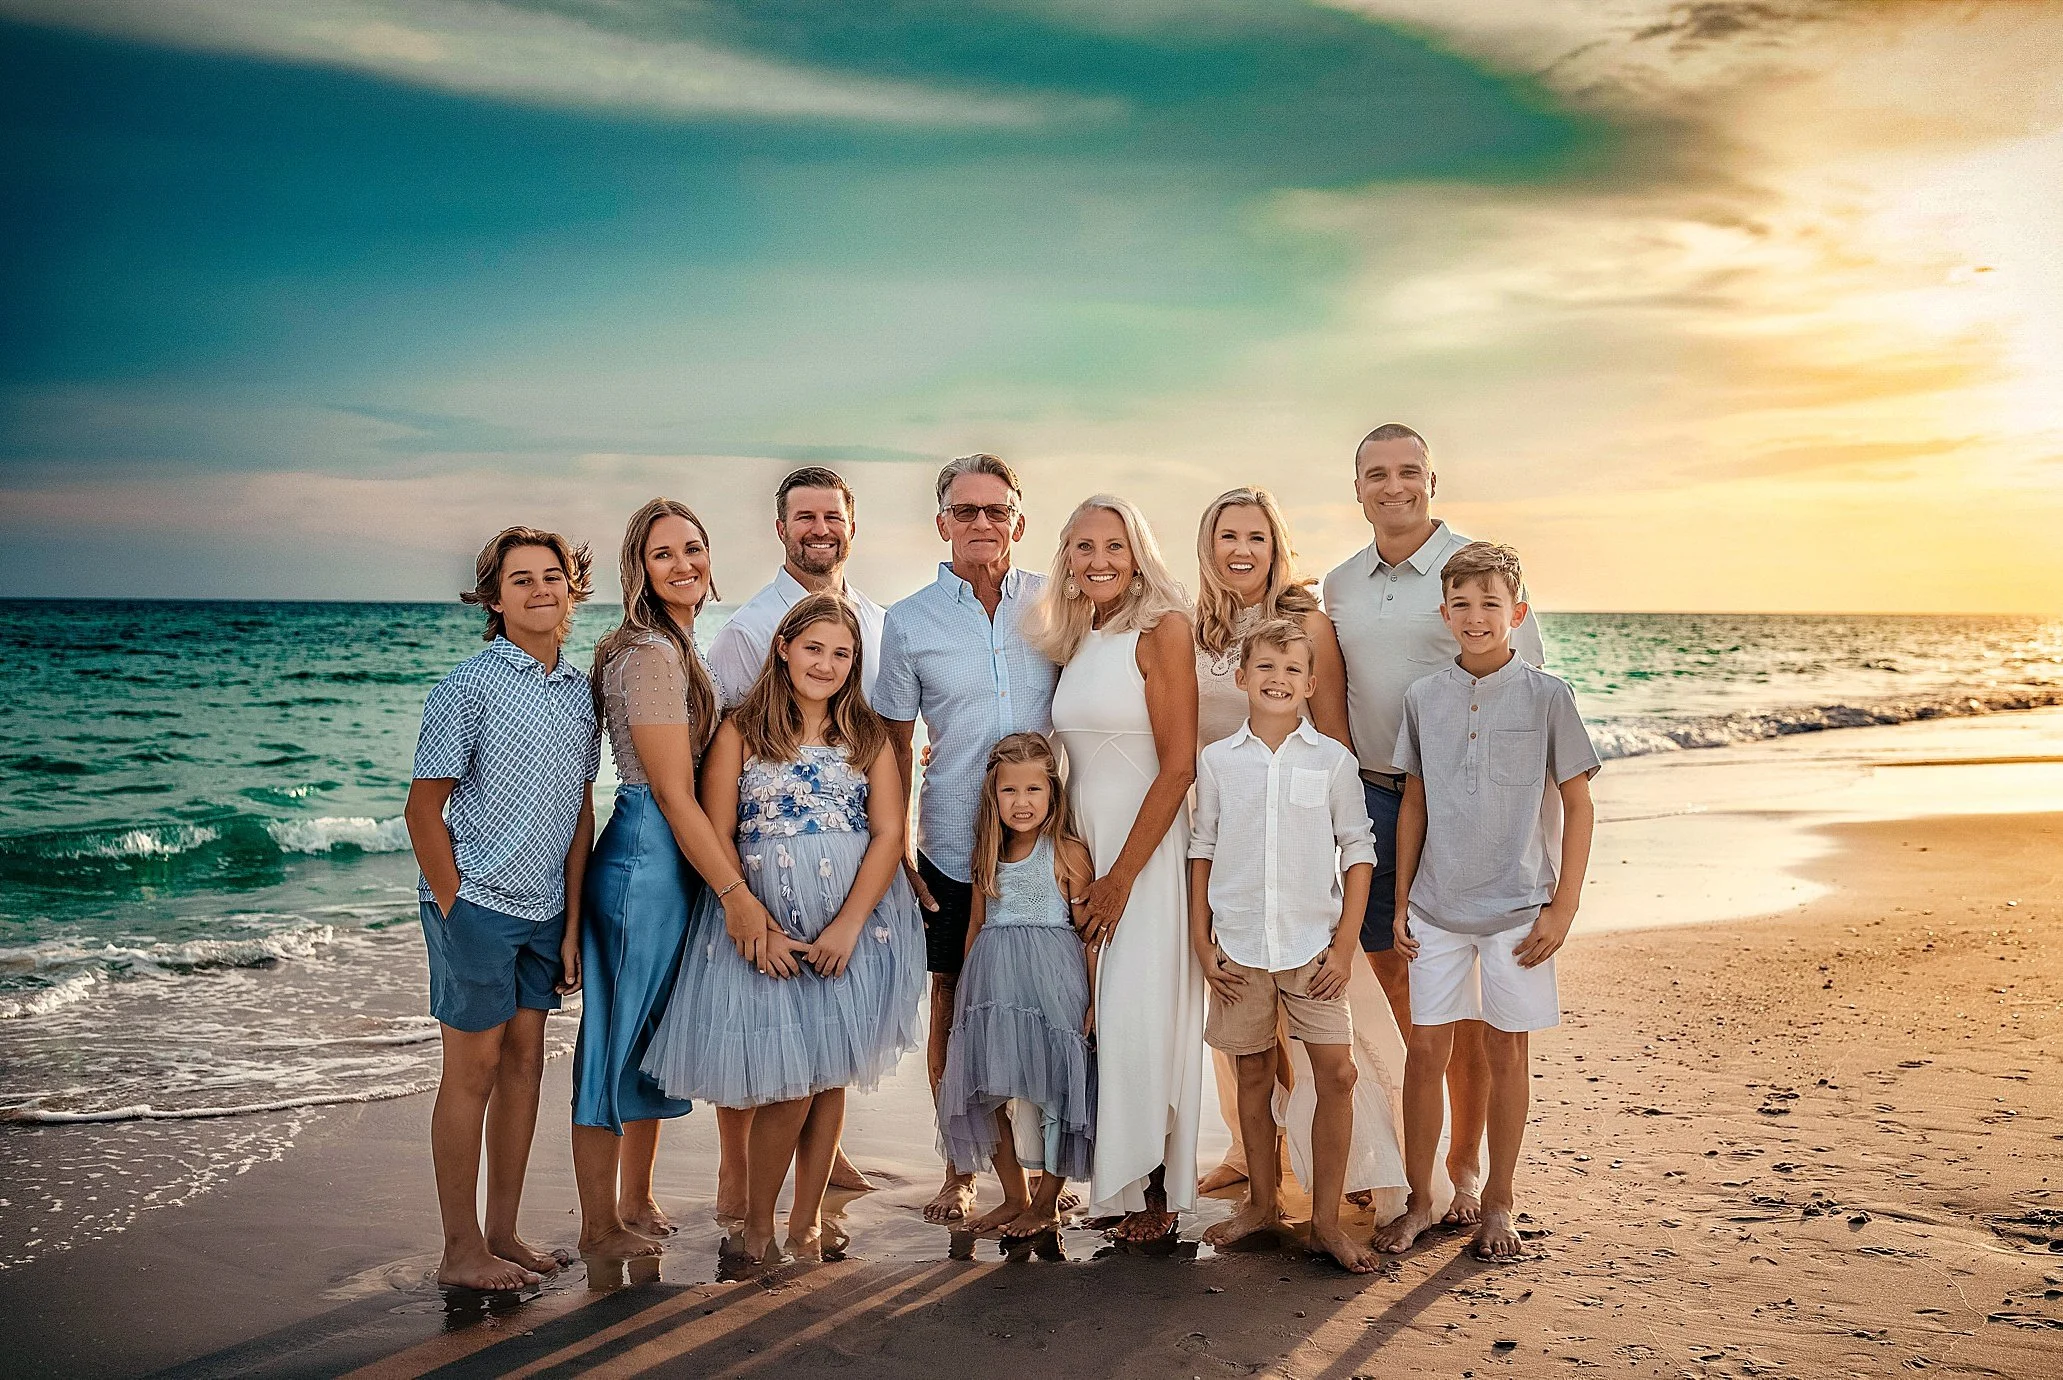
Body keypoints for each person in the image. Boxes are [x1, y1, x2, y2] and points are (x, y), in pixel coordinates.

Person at [642, 593, 925, 1266]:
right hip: (764, 920)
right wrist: (751, 918)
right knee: (787, 1080)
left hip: (851, 923)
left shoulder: (866, 736)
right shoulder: (741, 730)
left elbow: (889, 833)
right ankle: (758, 1224)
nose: (825, 664)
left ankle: (806, 1223)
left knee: (829, 1074)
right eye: (813, 648)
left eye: (841, 654)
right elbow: (717, 832)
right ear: (783, 648)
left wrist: (849, 925)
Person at [1322, 423, 1546, 1228]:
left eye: (1408, 471)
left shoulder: (1470, 568)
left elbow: (1526, 690)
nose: (1393, 486)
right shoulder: (1340, 584)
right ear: (1356, 488)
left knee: (1471, 1003)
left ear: (1431, 480)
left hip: (1464, 807)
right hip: (1376, 796)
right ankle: (1404, 1162)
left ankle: (1464, 1166)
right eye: (1376, 474)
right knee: (1399, 981)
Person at [1373, 542, 1599, 1262]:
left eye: (1490, 604)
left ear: (1517, 613)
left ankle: (1497, 1201)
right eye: (1462, 604)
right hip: (1435, 908)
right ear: (1444, 614)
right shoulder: (1423, 698)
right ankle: (1421, 1201)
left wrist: (1562, 908)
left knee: (1506, 1050)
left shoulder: (1548, 696)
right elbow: (1413, 803)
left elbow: (1578, 803)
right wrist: (1401, 902)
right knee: (1424, 1050)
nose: (1476, 617)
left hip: (1520, 912)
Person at [573, 498, 768, 1261]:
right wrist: (734, 894)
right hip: (645, 864)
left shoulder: (680, 644)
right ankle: (598, 1225)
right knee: (613, 1041)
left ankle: (634, 1197)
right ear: (639, 569)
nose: (683, 563)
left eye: (693, 547)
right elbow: (671, 793)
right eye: (663, 553)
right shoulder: (651, 654)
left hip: (673, 858)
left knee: (649, 1035)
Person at [403, 525, 597, 1291]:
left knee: (523, 1067)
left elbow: (580, 812)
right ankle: (459, 1251)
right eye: (521, 579)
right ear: (493, 599)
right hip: (477, 904)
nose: (540, 589)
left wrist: (572, 920)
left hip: (546, 909)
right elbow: (423, 810)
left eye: (551, 576)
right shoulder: (468, 686)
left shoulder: (580, 692)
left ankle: (503, 1233)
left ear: (571, 590)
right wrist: (455, 905)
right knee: (473, 1071)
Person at [874, 454, 1058, 1225]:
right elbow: (892, 746)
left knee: (1048, 1004)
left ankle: (1047, 1176)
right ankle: (959, 1169)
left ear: (1018, 520)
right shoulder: (907, 621)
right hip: (950, 844)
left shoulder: (1056, 602)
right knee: (951, 1002)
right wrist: (895, 851)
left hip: (1048, 846)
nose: (981, 523)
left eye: (996, 510)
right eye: (965, 510)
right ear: (941, 522)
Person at [1035, 494, 1203, 1246]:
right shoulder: (1079, 635)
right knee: (1103, 1016)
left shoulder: (1162, 629)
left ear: (1138, 555)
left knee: (1141, 1012)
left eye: (1114, 546)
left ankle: (1160, 1192)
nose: (1098, 560)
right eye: (1084, 546)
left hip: (1146, 854)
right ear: (1066, 557)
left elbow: (1178, 765)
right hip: (1091, 850)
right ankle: (1123, 1183)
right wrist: (1069, 846)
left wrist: (1121, 878)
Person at [1190, 618, 1379, 1273]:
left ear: (1311, 684)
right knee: (1252, 1073)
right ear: (1242, 678)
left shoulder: (1331, 761)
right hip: (1239, 945)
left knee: (1337, 1074)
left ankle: (1324, 1222)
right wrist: (1201, 941)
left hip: (1312, 949)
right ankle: (1261, 1205)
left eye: (1292, 669)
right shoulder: (1218, 761)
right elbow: (1202, 849)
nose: (1278, 679)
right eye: (1265, 668)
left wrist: (1344, 947)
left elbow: (1358, 851)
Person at [934, 733, 1099, 1241]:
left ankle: (1047, 1202)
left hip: (1053, 986)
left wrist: (1095, 1000)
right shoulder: (987, 853)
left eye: (1033, 790)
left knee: (1056, 1093)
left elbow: (1089, 935)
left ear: (1053, 793)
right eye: (1009, 790)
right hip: (992, 987)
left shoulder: (1067, 853)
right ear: (993, 794)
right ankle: (1014, 1196)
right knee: (990, 1091)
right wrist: (967, 994)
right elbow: (976, 925)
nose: (1021, 802)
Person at [705, 466, 887, 710]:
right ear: (781, 530)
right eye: (806, 517)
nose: (821, 530)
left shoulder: (881, 625)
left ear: (851, 529)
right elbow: (727, 730)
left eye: (833, 517)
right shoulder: (745, 633)